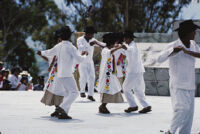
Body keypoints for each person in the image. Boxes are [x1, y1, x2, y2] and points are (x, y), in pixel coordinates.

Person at [157, 20, 200, 134]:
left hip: (190, 86)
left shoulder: (193, 45)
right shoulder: (173, 45)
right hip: (178, 86)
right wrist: (173, 51)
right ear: (187, 33)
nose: (195, 34)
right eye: (193, 31)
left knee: (188, 118)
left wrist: (188, 52)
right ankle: (170, 131)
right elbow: (159, 58)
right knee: (182, 110)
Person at [38, 26, 88, 119]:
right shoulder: (71, 47)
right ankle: (61, 108)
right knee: (74, 93)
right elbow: (79, 59)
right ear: (70, 36)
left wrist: (41, 52)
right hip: (67, 74)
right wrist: (84, 55)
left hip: (59, 74)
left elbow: (49, 52)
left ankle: (63, 113)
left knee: (67, 93)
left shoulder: (59, 45)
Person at [122, 31, 151, 113]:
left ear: (130, 38)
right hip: (138, 70)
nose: (125, 39)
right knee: (138, 89)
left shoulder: (132, 46)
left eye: (126, 38)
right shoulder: (132, 45)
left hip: (133, 71)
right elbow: (126, 52)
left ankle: (133, 105)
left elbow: (129, 50)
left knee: (126, 88)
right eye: (124, 38)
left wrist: (125, 48)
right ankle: (146, 106)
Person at [97, 33, 124, 114]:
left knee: (112, 88)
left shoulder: (107, 49)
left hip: (110, 74)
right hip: (106, 75)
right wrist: (119, 47)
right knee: (107, 89)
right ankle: (102, 106)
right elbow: (110, 52)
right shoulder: (105, 50)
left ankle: (103, 105)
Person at [77, 26, 105, 101]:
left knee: (92, 77)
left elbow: (101, 44)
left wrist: (107, 44)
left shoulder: (93, 40)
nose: (93, 36)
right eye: (91, 34)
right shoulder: (80, 39)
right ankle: (82, 91)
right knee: (83, 76)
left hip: (90, 61)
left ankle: (90, 95)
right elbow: (81, 48)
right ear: (87, 34)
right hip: (82, 61)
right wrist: (89, 44)